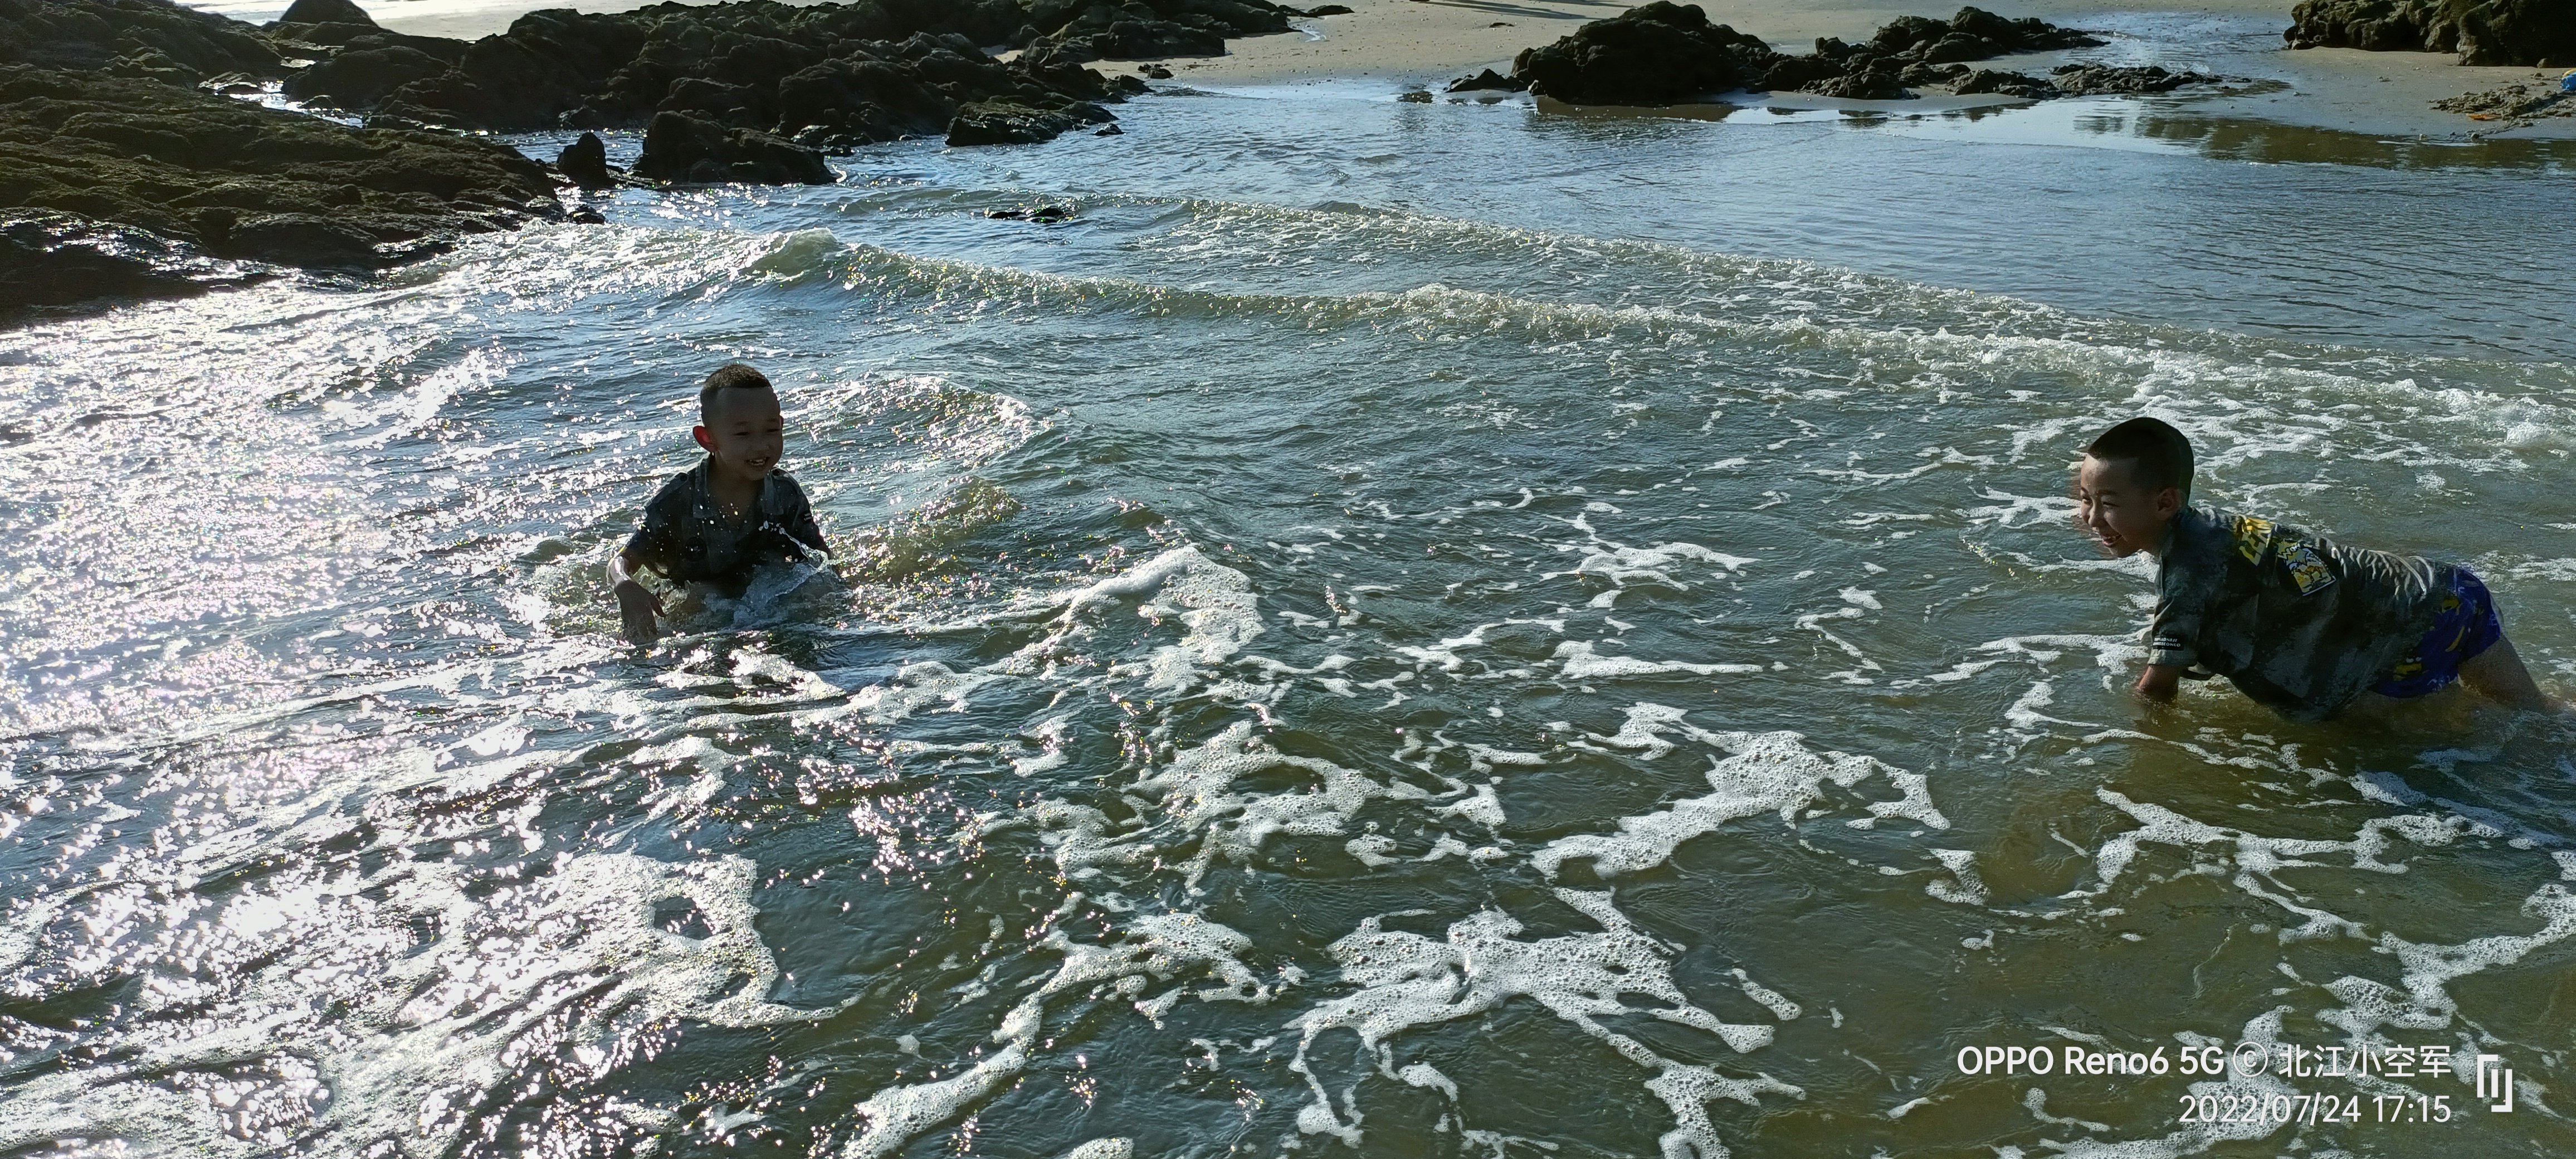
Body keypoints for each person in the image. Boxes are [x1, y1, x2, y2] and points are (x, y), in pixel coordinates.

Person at [2071, 416, 2554, 722]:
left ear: (2165, 502)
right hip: (2447, 590)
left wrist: (2128, 737)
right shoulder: (2215, 528)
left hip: (2418, 626)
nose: (2091, 518)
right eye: (2085, 500)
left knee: (2383, 744)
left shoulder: (2189, 575)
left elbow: (2157, 692)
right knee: (2538, 718)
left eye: (2108, 503)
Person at [610, 363, 830, 642]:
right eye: (743, 434)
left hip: (762, 606)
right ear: (708, 439)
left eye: (771, 430)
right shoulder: (679, 501)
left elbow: (821, 559)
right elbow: (622, 561)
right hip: (699, 613)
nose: (761, 445)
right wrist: (625, 585)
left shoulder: (785, 492)